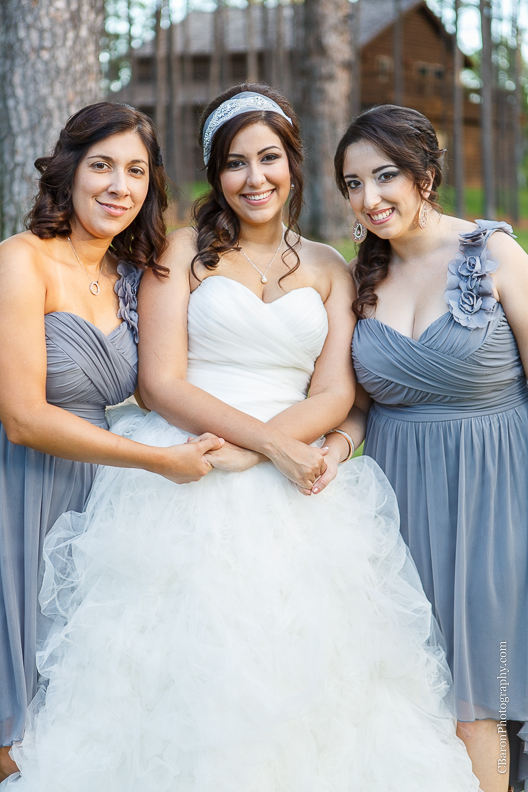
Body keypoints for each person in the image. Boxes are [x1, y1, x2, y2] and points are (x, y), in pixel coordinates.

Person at [2, 85, 478, 791]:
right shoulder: (180, 252)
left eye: (269, 158)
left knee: (307, 671)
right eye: (234, 162)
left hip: (295, 483)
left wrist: (266, 449)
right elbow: (160, 382)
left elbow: (335, 394)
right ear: (215, 174)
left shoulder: (329, 265)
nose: (254, 178)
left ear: (293, 163)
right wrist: (260, 447)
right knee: (177, 672)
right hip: (188, 466)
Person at [0, 102, 224, 781]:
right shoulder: (20, 261)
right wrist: (158, 461)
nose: (118, 187)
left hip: (94, 498)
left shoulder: (131, 275)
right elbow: (23, 417)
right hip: (19, 487)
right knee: (13, 706)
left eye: (135, 171)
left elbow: (165, 381)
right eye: (102, 166)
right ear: (69, 172)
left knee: (70, 699)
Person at [324, 103, 528, 792]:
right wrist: (336, 447)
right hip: (397, 506)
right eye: (353, 184)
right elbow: (359, 404)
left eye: (385, 176)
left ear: (425, 175)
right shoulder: (359, 279)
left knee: (481, 701)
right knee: (412, 697)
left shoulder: (494, 254)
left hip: (497, 500)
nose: (369, 198)